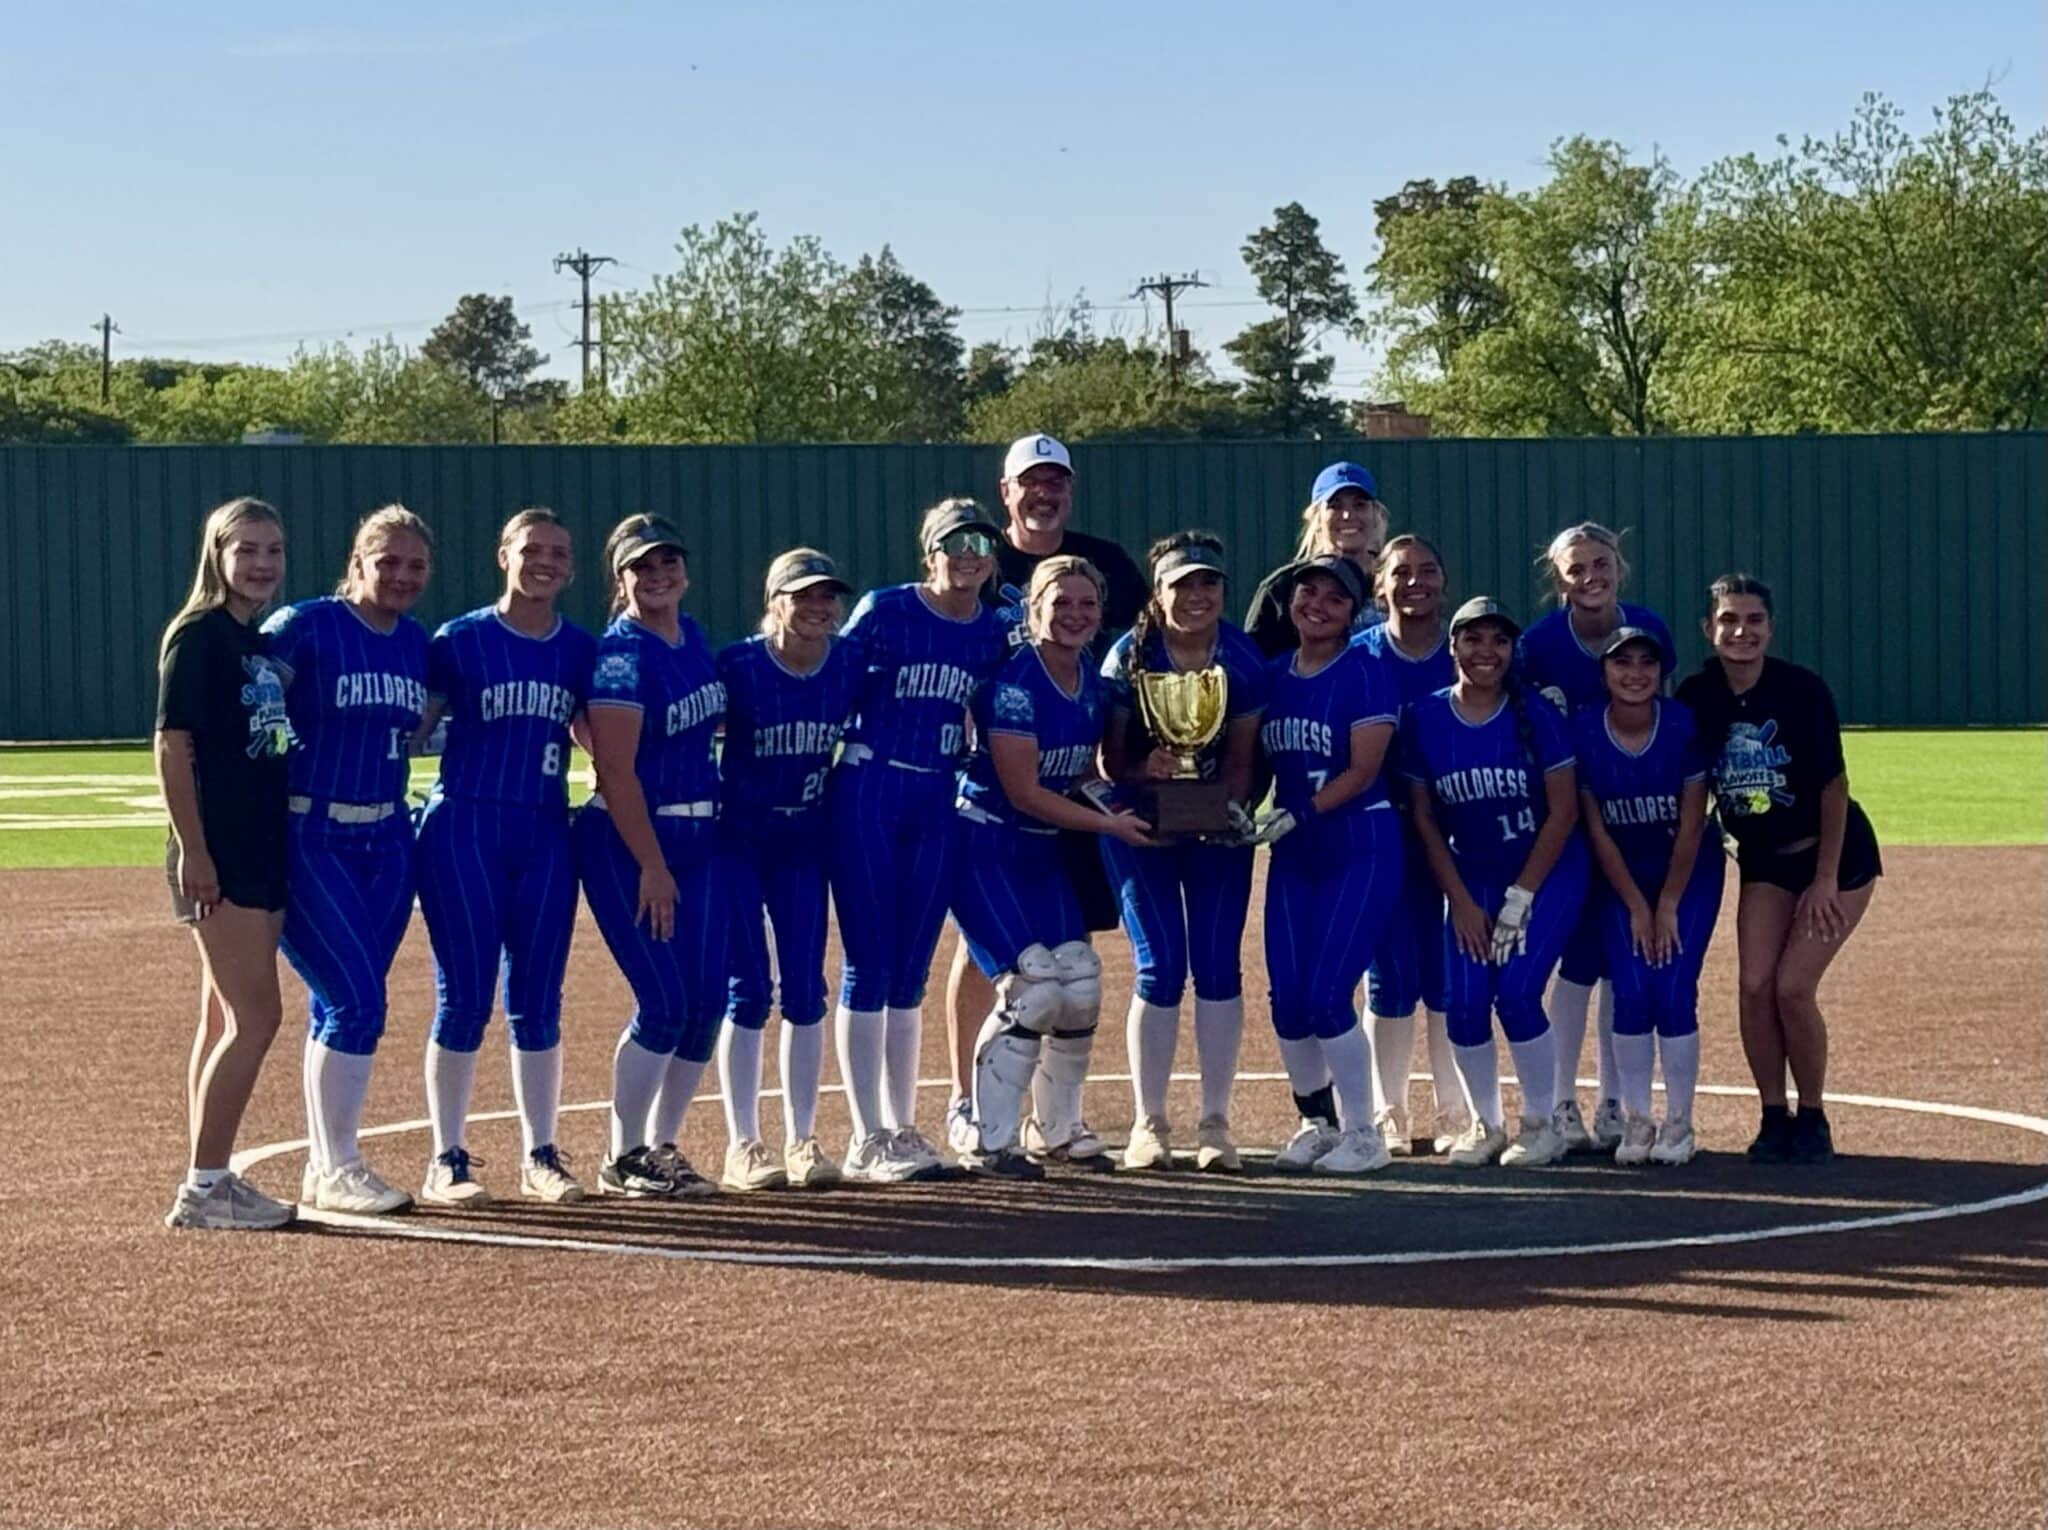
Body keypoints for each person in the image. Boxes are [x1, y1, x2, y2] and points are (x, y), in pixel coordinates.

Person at [943, 434, 1145, 1155]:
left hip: (1046, 848)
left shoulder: (1092, 682)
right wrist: (1114, 827)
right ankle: (982, 1129)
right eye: (1062, 602)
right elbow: (1025, 789)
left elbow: (1080, 770)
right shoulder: (1017, 685)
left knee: (1082, 981)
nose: (1078, 613)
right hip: (989, 840)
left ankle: (1056, 1130)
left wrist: (1132, 794)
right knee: (1032, 985)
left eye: (1088, 604)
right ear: (1029, 605)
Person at [413, 508, 596, 1206]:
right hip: (465, 826)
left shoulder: (579, 649)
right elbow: (416, 724)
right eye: (531, 549)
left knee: (539, 999)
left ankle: (540, 1153)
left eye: (558, 551)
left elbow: (597, 734)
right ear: (503, 555)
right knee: (463, 997)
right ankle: (446, 1156)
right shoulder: (459, 639)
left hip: (545, 830)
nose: (544, 562)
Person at [830, 498, 1012, 1182]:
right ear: (928, 551)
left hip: (936, 793)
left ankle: (901, 1127)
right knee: (868, 965)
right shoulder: (884, 610)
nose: (967, 553)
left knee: (911, 970)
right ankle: (865, 1134)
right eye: (953, 541)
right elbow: (832, 682)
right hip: (870, 789)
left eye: (979, 542)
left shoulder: (994, 629)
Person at [261, 505, 434, 1216]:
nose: (399, 575)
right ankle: (337, 1164)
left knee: (340, 1003)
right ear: (356, 562)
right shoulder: (304, 626)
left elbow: (423, 723)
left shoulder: (417, 642)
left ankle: (324, 1161)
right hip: (312, 831)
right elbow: (245, 700)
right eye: (386, 561)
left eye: (415, 565)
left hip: (388, 837)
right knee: (358, 1001)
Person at [1676, 574, 1879, 1165]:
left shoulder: (1801, 691)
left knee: (1793, 988)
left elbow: (1833, 788)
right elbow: (1693, 787)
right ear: (1708, 629)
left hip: (1833, 858)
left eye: (1754, 620)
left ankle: (1812, 1114)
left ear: (1770, 627)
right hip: (1764, 861)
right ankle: (1773, 1113)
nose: (1741, 632)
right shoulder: (1698, 695)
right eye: (1729, 620)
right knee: (1754, 986)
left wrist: (1823, 880)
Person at [1098, 532, 1265, 1172]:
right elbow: (1111, 759)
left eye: (1209, 585)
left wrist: (1223, 811)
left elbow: (1246, 764)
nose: (1196, 597)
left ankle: (1216, 1122)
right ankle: (1150, 1121)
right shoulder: (1128, 657)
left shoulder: (1242, 660)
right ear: (1158, 594)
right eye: (1181, 586)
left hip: (1216, 827)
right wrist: (1149, 767)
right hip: (1143, 829)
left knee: (1219, 966)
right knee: (1160, 967)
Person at [576, 515, 731, 1200]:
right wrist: (652, 864)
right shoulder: (621, 656)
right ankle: (623, 1154)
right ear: (622, 579)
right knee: (664, 1002)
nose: (658, 573)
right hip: (632, 841)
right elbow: (616, 770)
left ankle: (662, 1148)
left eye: (668, 560)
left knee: (706, 1005)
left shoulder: (691, 637)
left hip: (701, 837)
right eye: (642, 565)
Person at [1403, 597, 1585, 1169]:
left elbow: (1563, 813)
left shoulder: (1536, 714)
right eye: (1473, 639)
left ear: (1513, 650)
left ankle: (1542, 1121)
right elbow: (1425, 816)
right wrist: (1459, 899)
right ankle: (1488, 1124)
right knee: (1462, 1004)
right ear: (1453, 646)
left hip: (1547, 870)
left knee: (1518, 993)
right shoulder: (1426, 717)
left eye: (1499, 641)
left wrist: (1521, 897)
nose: (1486, 652)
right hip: (1474, 874)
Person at [159, 497, 299, 1231]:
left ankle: (207, 1175)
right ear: (217, 554)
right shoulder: (199, 636)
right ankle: (206, 1186)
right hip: (222, 853)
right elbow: (172, 744)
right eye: (246, 549)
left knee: (220, 1019)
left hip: (259, 843)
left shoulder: (254, 644)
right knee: (258, 1017)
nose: (262, 563)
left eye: (273, 550)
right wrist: (195, 850)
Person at [1517, 522, 1677, 1153]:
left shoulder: (1648, 628)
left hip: (1631, 821)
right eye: (1576, 568)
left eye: (1601, 563)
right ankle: (1560, 1103)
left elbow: (1659, 722)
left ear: (1620, 566)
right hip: (1563, 823)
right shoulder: (1537, 646)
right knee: (1575, 964)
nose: (1591, 577)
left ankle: (1614, 1102)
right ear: (1557, 579)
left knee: (1619, 964)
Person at [714, 548, 863, 1192]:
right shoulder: (739, 665)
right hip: (740, 839)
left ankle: (802, 1137)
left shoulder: (848, 663)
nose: (817, 608)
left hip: (803, 839)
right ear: (774, 601)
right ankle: (744, 1142)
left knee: (806, 989)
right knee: (748, 991)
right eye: (803, 596)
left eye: (827, 597)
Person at [1254, 556, 1404, 1176]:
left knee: (1325, 995)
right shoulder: (1271, 675)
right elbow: (1255, 760)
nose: (1317, 604)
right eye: (1306, 591)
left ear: (1354, 612)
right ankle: (1318, 1123)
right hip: (1297, 849)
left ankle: (1366, 1132)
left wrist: (1303, 811)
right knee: (1287, 999)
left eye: (1335, 598)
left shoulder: (1366, 672)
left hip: (1358, 843)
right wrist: (1230, 809)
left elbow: (1363, 769)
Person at [1573, 628, 1724, 1165]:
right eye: (1621, 663)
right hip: (1623, 877)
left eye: (1646, 663)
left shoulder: (1681, 726)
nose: (1634, 673)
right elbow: (1597, 829)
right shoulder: (1586, 730)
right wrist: (1638, 905)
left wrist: (1666, 905)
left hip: (1688, 874)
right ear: (1605, 671)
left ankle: (1679, 1121)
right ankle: (1638, 1118)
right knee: (1633, 992)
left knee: (1675, 989)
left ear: (1663, 672)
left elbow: (1691, 824)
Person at [1351, 534, 1466, 1155]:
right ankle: (1386, 1109)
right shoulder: (1361, 655)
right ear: (1380, 585)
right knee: (1391, 974)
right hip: (1384, 831)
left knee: (1451, 971)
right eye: (1400, 572)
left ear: (1443, 581)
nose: (1414, 582)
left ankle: (1457, 1108)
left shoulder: (1467, 651)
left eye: (1427, 570)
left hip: (1463, 833)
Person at [1244, 461, 1390, 658]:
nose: (1348, 515)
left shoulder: (1393, 580)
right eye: (1335, 506)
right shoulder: (1283, 586)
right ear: (1316, 517)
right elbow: (1255, 662)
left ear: (1376, 514)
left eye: (1360, 505)